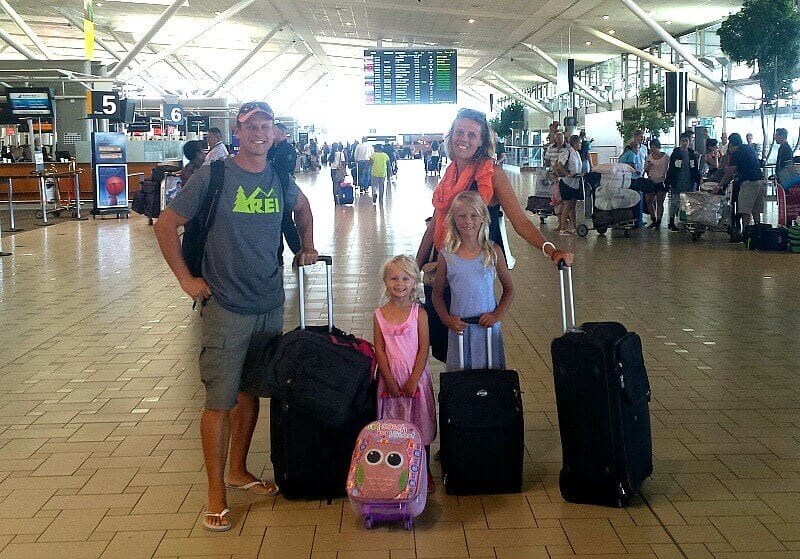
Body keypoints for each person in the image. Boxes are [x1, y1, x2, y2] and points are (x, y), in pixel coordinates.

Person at [152, 101, 319, 532]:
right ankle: (215, 494)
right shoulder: (216, 174)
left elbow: (303, 210)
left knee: (251, 392)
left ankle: (238, 470)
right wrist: (187, 280)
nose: (260, 133)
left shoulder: (280, 177)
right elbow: (165, 224)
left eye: (267, 125)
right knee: (219, 400)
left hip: (268, 302)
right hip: (225, 305)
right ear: (238, 132)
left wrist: (307, 245)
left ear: (275, 132)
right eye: (251, 126)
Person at [416, 108, 573, 270]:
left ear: (481, 141)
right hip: (442, 261)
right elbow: (434, 225)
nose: (464, 139)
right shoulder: (450, 174)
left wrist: (552, 251)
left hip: (474, 268)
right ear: (451, 135)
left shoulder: (491, 174)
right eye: (459, 132)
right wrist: (413, 271)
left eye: (472, 135)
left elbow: (520, 222)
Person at [373, 255, 436, 493]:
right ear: (385, 281)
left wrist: (413, 380)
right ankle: (396, 467)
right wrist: (388, 380)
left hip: (415, 378)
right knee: (393, 426)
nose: (399, 283)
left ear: (414, 283)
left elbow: (423, 348)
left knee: (421, 424)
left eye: (405, 278)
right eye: (394, 278)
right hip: (390, 380)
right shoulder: (379, 314)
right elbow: (379, 348)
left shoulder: (419, 314)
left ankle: (424, 469)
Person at [431, 191, 514, 372]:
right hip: (460, 329)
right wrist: (447, 320)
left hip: (487, 329)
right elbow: (436, 296)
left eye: (474, 215)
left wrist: (496, 315)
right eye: (462, 216)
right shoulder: (447, 256)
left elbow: (509, 290)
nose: (468, 221)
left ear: (483, 218)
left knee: (490, 378)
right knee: (462, 381)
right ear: (454, 220)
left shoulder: (493, 252)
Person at [716, 132, 766, 237]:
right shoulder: (748, 148)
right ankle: (757, 233)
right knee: (756, 210)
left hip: (749, 183)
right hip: (761, 181)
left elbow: (730, 172)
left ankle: (745, 233)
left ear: (732, 144)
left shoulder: (737, 153)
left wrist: (719, 185)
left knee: (745, 210)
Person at [268, 122, 302, 266]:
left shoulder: (287, 150)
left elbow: (284, 170)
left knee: (286, 223)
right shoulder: (271, 149)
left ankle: (299, 253)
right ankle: (277, 257)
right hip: (270, 191)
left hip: (283, 190)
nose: (271, 133)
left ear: (282, 132)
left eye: (273, 130)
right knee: (277, 225)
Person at [665, 131, 701, 232]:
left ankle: (683, 222)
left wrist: (697, 180)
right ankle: (671, 222)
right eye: (683, 141)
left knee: (685, 203)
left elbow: (695, 169)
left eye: (686, 141)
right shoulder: (676, 153)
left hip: (688, 183)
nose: (685, 143)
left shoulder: (692, 154)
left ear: (689, 142)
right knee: (675, 203)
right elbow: (671, 168)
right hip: (677, 182)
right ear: (680, 141)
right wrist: (669, 181)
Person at [554, 135, 583, 235]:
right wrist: (567, 174)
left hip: (575, 182)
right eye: (579, 143)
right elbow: (560, 164)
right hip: (566, 182)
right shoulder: (567, 152)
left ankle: (573, 227)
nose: (581, 145)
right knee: (567, 205)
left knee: (573, 206)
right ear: (574, 143)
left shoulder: (577, 153)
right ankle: (563, 228)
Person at [643, 138, 669, 229]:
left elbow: (667, 168)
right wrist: (649, 168)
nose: (653, 149)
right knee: (648, 200)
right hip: (651, 181)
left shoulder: (665, 157)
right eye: (652, 147)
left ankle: (658, 221)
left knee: (660, 202)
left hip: (661, 181)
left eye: (654, 147)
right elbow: (646, 169)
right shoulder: (649, 157)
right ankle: (653, 218)